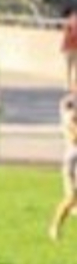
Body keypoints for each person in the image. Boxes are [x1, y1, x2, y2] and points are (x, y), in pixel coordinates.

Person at [51, 94, 77, 241]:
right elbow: (72, 134)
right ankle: (55, 226)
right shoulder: (68, 103)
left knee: (73, 200)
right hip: (72, 159)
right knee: (71, 197)